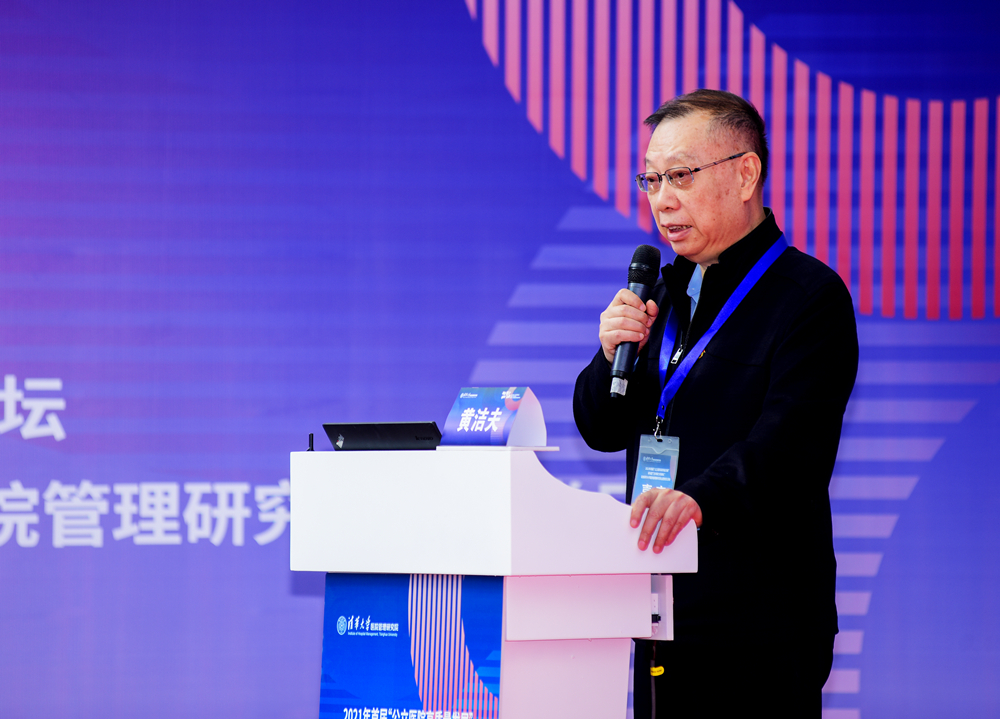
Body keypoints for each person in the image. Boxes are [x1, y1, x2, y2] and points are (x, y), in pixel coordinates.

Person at [573, 89, 858, 717]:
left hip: (759, 620)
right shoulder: (662, 292)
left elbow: (792, 444)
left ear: (746, 174)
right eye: (651, 180)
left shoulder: (808, 298)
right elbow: (601, 428)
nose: (661, 200)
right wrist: (609, 353)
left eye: (680, 176)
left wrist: (700, 498)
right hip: (660, 605)